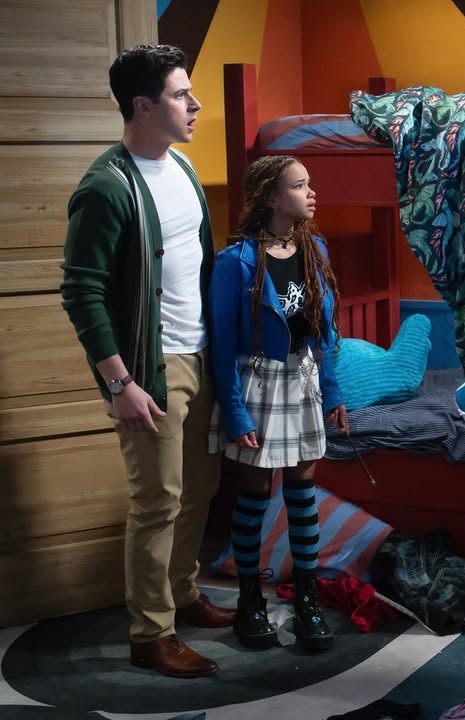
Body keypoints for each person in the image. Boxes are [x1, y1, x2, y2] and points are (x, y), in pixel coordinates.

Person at [60, 44, 234, 679]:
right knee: (157, 499)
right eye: (181, 95)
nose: (195, 104)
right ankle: (151, 634)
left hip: (202, 353)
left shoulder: (182, 168)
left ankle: (182, 594)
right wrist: (120, 384)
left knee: (199, 490)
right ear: (143, 106)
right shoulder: (106, 188)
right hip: (149, 366)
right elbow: (81, 292)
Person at [208, 155, 348, 652]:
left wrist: (333, 391)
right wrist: (236, 412)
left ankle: (307, 600)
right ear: (271, 196)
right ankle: (250, 600)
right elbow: (222, 343)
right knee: (254, 492)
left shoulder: (315, 250)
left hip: (302, 377)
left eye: (310, 184)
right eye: (299, 185)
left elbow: (325, 331)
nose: (311, 193)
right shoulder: (236, 261)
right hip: (259, 382)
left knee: (303, 493)